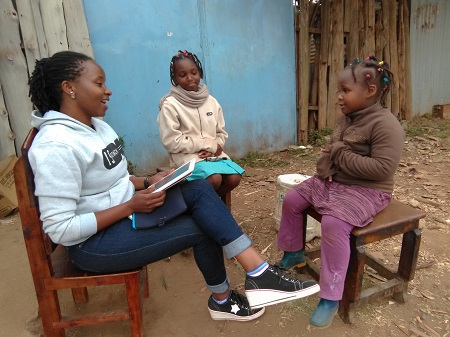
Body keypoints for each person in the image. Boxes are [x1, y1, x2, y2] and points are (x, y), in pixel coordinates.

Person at [27, 50, 319, 323]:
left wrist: (145, 182)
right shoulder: (55, 146)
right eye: (99, 83)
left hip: (125, 213)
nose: (108, 90)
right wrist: (130, 205)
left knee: (198, 188)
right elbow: (60, 229)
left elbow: (107, 182)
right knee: (204, 226)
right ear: (69, 88)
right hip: (94, 244)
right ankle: (229, 296)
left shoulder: (96, 127)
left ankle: (257, 273)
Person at [275, 56, 405, 328]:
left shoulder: (386, 125)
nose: (339, 97)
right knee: (293, 199)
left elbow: (381, 169)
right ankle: (294, 252)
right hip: (335, 181)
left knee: (334, 224)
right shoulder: (346, 119)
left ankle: (331, 296)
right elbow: (329, 151)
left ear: (370, 91)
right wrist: (325, 166)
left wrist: (339, 154)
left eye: (346, 91)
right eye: (339, 90)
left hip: (369, 190)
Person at [157, 50, 244, 198]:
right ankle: (201, 204)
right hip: (186, 159)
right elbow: (172, 141)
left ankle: (208, 202)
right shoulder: (170, 105)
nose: (190, 78)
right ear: (175, 79)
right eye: (182, 75)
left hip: (213, 155)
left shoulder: (212, 102)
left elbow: (221, 133)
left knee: (234, 177)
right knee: (213, 179)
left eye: (194, 72)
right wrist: (206, 145)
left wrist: (215, 147)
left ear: (200, 73)